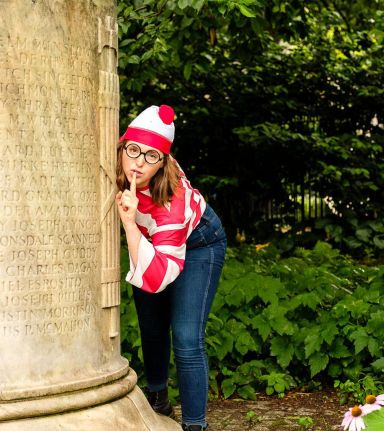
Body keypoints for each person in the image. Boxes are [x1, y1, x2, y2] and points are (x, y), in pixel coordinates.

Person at [116, 104, 227, 431]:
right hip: (154, 242)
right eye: (133, 150)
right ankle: (158, 401)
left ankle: (195, 425)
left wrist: (129, 224)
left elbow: (157, 276)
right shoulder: (119, 163)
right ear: (122, 145)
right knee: (151, 325)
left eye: (151, 156)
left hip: (199, 244)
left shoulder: (170, 205)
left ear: (162, 162)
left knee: (186, 338)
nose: (138, 162)